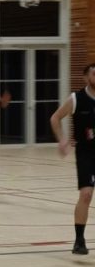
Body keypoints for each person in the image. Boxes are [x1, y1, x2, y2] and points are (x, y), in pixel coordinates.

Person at [50, 63, 95, 255]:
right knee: (86, 194)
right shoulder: (77, 98)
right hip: (86, 153)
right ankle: (79, 240)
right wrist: (62, 139)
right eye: (94, 74)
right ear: (86, 77)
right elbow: (55, 118)